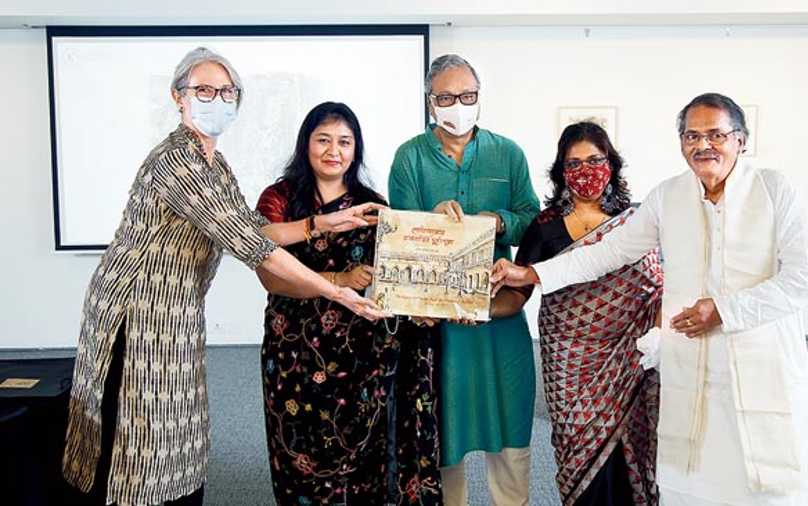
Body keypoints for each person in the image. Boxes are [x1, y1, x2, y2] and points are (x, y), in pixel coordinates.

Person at [62, 48, 385, 506]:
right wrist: (339, 290)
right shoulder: (179, 162)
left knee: (177, 432)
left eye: (227, 91)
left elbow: (255, 228)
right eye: (204, 90)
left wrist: (323, 223)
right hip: (136, 314)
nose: (217, 99)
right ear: (178, 96)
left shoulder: (215, 163)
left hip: (177, 311)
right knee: (135, 439)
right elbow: (255, 248)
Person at [492, 93, 808, 506]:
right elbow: (608, 252)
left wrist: (724, 311)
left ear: (741, 139)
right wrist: (533, 272)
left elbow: (802, 280)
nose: (703, 145)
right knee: (694, 483)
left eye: (716, 134)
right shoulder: (670, 197)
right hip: (692, 365)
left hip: (759, 366)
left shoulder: (774, 190)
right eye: (692, 136)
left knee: (765, 485)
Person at [255, 102, 442, 505]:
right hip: (297, 356)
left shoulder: (373, 206)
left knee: (367, 463)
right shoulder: (280, 198)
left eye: (344, 141)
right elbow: (268, 270)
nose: (333, 151)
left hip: (363, 359)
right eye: (323, 140)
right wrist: (338, 281)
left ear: (356, 149)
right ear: (306, 144)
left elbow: (399, 273)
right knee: (298, 450)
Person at [389, 53, 540, 506]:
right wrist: (428, 220)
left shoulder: (507, 153)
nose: (459, 105)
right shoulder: (410, 157)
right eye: (447, 97)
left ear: (480, 96)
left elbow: (531, 218)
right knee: (444, 426)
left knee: (511, 419)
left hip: (499, 310)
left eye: (468, 96)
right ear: (430, 102)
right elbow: (398, 233)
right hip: (438, 322)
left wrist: (499, 221)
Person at [507, 122, 662, 506]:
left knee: (636, 446)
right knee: (577, 448)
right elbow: (518, 293)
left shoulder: (636, 222)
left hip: (631, 354)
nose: (585, 170)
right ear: (561, 171)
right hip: (569, 358)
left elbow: (661, 284)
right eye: (573, 163)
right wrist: (472, 307)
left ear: (611, 163)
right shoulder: (544, 227)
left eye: (595, 160)